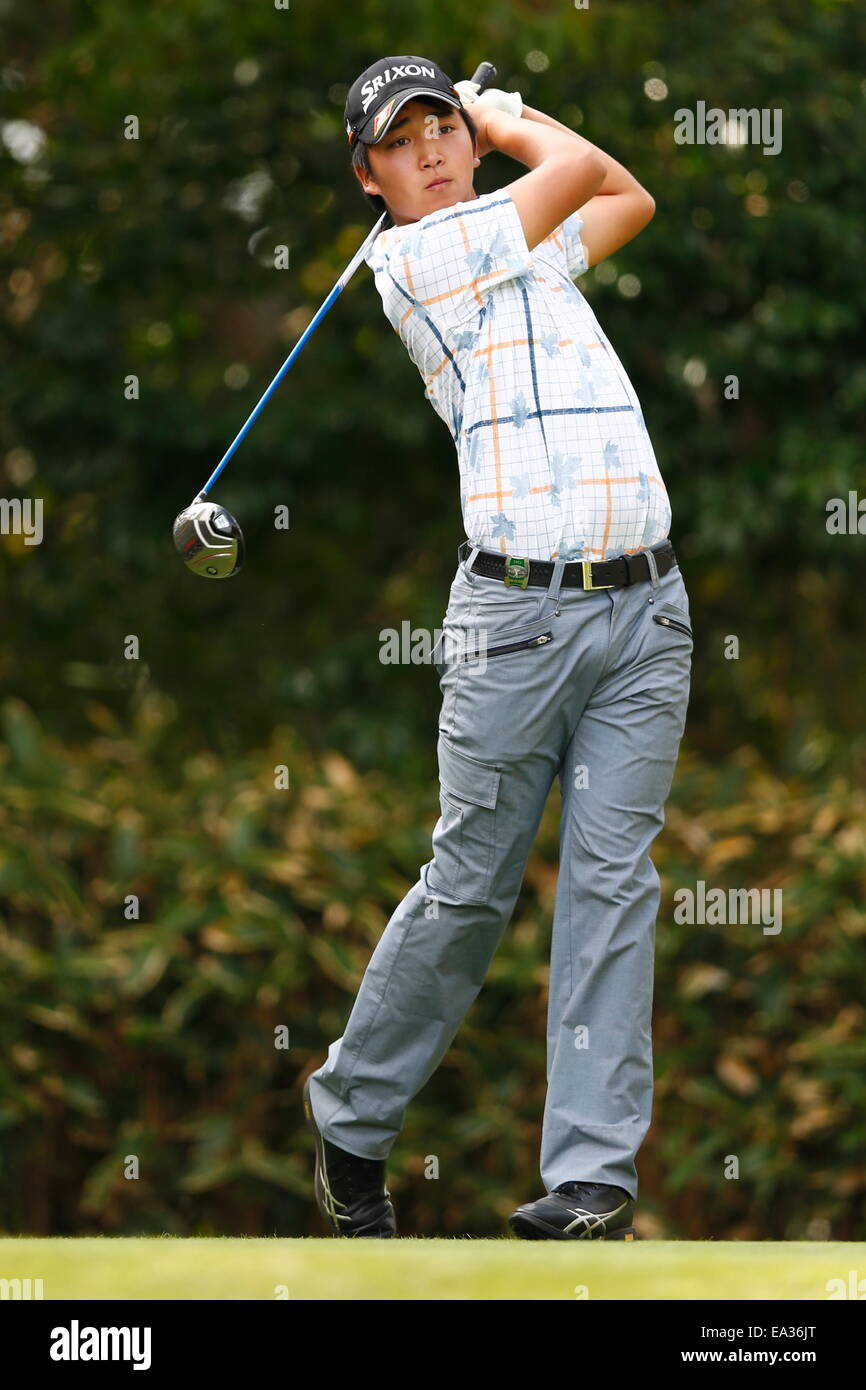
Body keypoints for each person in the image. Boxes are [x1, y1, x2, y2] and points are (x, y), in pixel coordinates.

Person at [303, 54, 692, 1241]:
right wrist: (503, 120)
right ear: (368, 175)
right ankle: (351, 1120)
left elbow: (626, 193)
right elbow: (570, 168)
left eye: (440, 126)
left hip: (645, 613)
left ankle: (589, 1181)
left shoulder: (529, 251)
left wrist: (498, 128)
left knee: (612, 887)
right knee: (469, 886)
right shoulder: (415, 261)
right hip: (513, 625)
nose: (428, 148)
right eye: (400, 139)